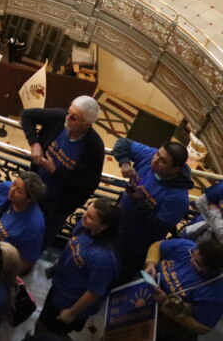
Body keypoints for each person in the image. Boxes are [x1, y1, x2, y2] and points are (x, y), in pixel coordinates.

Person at [20, 96, 105, 246]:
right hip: (32, 188)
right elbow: (26, 115)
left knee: (37, 241)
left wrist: (55, 172)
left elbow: (88, 185)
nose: (67, 117)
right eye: (69, 111)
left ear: (87, 124)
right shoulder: (59, 118)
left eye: (74, 117)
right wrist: (35, 143)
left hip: (56, 205)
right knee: (18, 227)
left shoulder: (94, 147)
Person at [35, 198, 120, 336]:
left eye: (91, 217)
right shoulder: (84, 226)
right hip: (59, 289)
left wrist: (71, 313)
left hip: (69, 302)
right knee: (43, 322)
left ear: (104, 226)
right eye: (87, 212)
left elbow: (95, 292)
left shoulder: (103, 258)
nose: (84, 216)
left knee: (51, 332)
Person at [112, 139, 193, 279]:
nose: (155, 160)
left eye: (163, 161)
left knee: (115, 276)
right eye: (157, 154)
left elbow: (159, 227)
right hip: (115, 228)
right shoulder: (149, 156)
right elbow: (122, 143)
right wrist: (125, 163)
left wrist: (139, 201)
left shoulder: (178, 198)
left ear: (175, 169)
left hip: (134, 248)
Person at [144, 236, 223, 339]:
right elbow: (157, 246)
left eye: (197, 264)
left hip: (165, 322)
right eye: (193, 256)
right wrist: (151, 263)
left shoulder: (215, 295)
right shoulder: (186, 247)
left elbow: (203, 328)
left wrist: (166, 303)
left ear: (213, 269)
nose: (191, 261)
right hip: (144, 293)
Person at [0, 172, 46, 274]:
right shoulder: (4, 187)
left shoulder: (33, 226)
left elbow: (26, 262)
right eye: (14, 184)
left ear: (29, 198)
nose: (12, 190)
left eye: (19, 191)